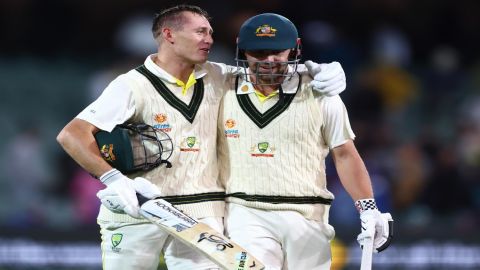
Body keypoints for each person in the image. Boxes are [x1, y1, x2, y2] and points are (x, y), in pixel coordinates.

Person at [56, 5, 346, 270]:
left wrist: (318, 69)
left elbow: (271, 69)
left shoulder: (219, 75)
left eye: (210, 32)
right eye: (200, 32)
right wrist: (113, 180)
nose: (209, 39)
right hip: (140, 209)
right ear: (169, 35)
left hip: (201, 214)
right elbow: (72, 135)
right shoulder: (131, 85)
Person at [218, 13, 393, 269]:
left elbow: (344, 153)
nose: (268, 60)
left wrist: (368, 208)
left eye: (277, 51)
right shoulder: (220, 88)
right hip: (245, 212)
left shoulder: (322, 92)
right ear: (242, 49)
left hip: (308, 215)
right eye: (259, 51)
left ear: (294, 48)